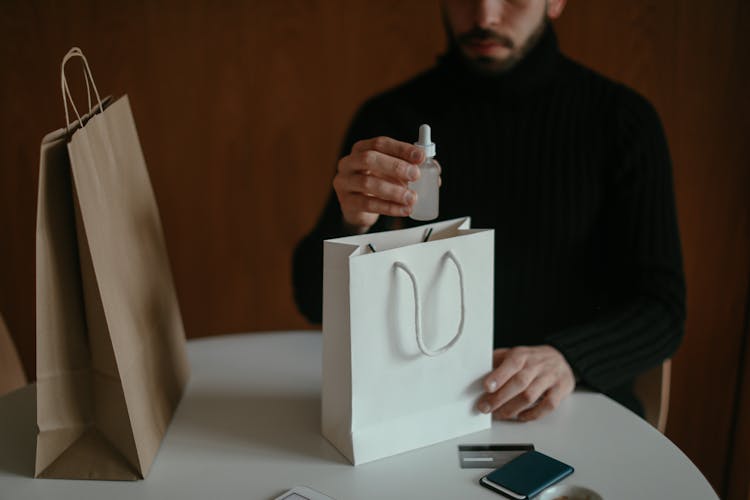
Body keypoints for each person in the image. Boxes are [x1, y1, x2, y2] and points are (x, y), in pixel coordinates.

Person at [293, 0, 685, 421]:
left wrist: (567, 359)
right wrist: (351, 223)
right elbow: (312, 302)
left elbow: (663, 309)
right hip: (418, 404)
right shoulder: (390, 116)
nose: (485, 17)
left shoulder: (621, 121)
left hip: (570, 406)